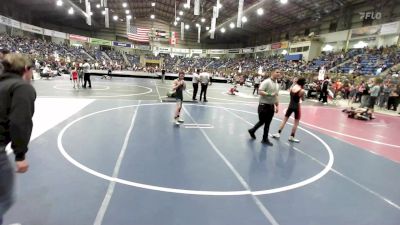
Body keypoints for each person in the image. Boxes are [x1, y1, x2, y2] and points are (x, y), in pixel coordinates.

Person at [0, 54, 36, 224]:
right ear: (26, 70)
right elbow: (20, 122)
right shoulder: (21, 87)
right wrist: (20, 155)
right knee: (5, 198)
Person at [248, 69, 281, 146]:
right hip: (264, 106)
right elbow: (260, 91)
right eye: (277, 72)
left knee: (268, 123)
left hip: (271, 106)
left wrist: (277, 105)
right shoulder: (266, 82)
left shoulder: (277, 84)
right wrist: (269, 94)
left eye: (279, 72)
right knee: (262, 121)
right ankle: (252, 131)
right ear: (272, 72)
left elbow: (276, 95)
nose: (278, 73)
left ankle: (264, 139)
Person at [271, 78, 306, 143]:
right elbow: (303, 99)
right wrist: (303, 94)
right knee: (296, 123)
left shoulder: (293, 87)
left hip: (290, 106)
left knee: (284, 120)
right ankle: (291, 137)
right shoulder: (302, 91)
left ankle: (278, 133)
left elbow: (290, 92)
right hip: (297, 107)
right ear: (303, 83)